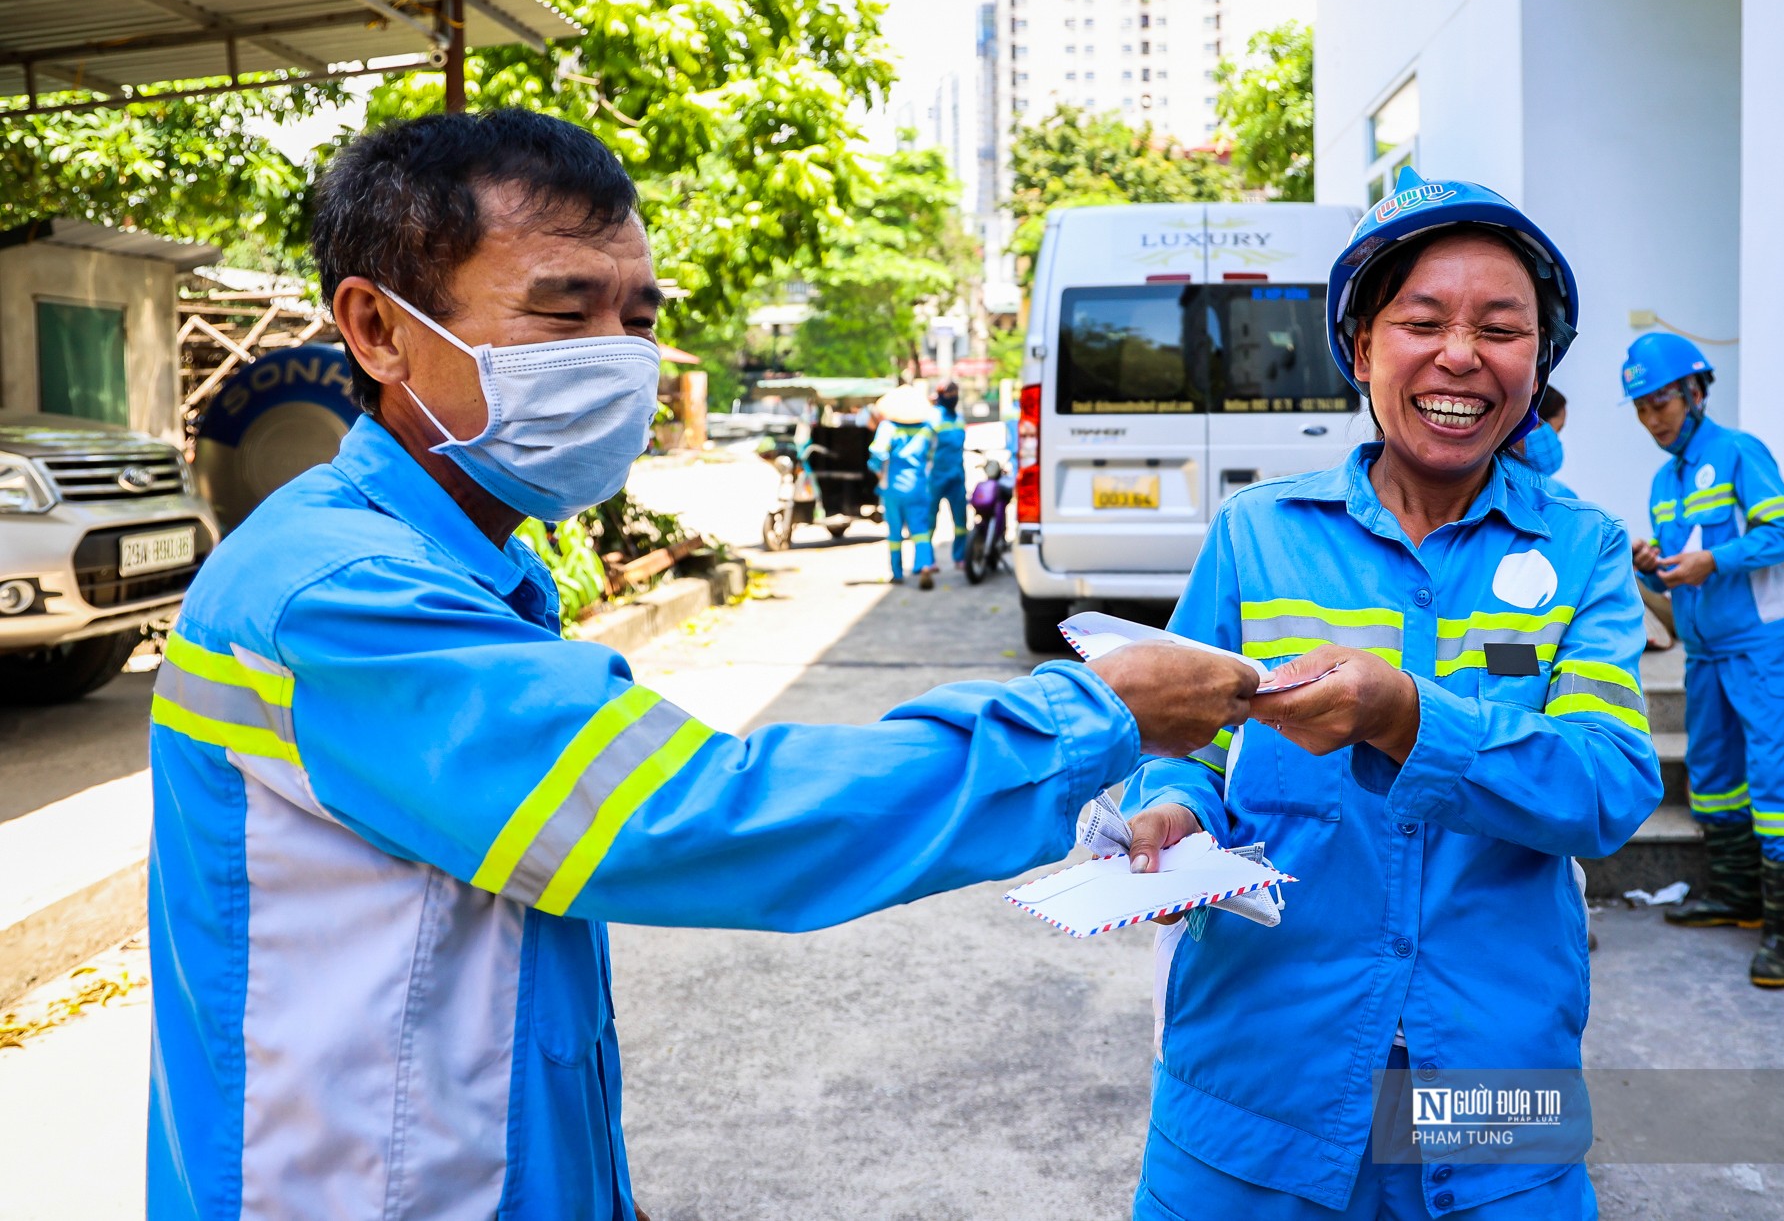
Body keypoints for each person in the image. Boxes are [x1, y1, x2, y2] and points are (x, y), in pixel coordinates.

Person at [144, 110, 1273, 1219]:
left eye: (636, 316)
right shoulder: (343, 593)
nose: (621, 360)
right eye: (561, 311)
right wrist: (1087, 719)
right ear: (379, 330)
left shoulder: (457, 566)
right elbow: (689, 817)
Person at [1119, 168, 1661, 1219]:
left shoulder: (1583, 549)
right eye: (1423, 320)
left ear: (1534, 365)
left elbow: (1606, 784)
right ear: (1360, 349)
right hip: (1257, 1071)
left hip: (1496, 1083)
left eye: (1500, 328)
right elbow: (1186, 742)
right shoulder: (1257, 534)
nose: (1460, 353)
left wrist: (1404, 715)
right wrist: (1174, 807)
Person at [1623, 332, 1784, 987]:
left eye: (1661, 403)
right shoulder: (1662, 479)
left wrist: (1715, 559)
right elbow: (1682, 574)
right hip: (1705, 653)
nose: (1653, 419)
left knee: (1776, 786)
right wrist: (1654, 568)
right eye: (1642, 408)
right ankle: (1737, 897)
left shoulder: (1737, 452)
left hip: (1767, 649)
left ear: (1695, 391)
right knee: (1712, 778)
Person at [869, 382, 939, 588]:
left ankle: (897, 573)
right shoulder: (927, 429)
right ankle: (925, 565)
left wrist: (877, 470)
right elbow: (931, 456)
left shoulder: (888, 427)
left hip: (892, 487)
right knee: (920, 529)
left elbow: (877, 452)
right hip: (918, 486)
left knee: (895, 532)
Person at [927, 377, 971, 567]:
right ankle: (927, 560)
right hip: (935, 477)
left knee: (961, 520)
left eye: (955, 392)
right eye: (949, 392)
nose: (953, 396)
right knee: (929, 521)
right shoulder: (933, 417)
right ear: (940, 395)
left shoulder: (959, 418)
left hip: (957, 477)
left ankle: (960, 557)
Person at [1510, 384, 1577, 499]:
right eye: (1556, 430)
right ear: (1531, 422)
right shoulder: (1556, 497)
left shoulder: (1480, 475)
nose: (1556, 441)